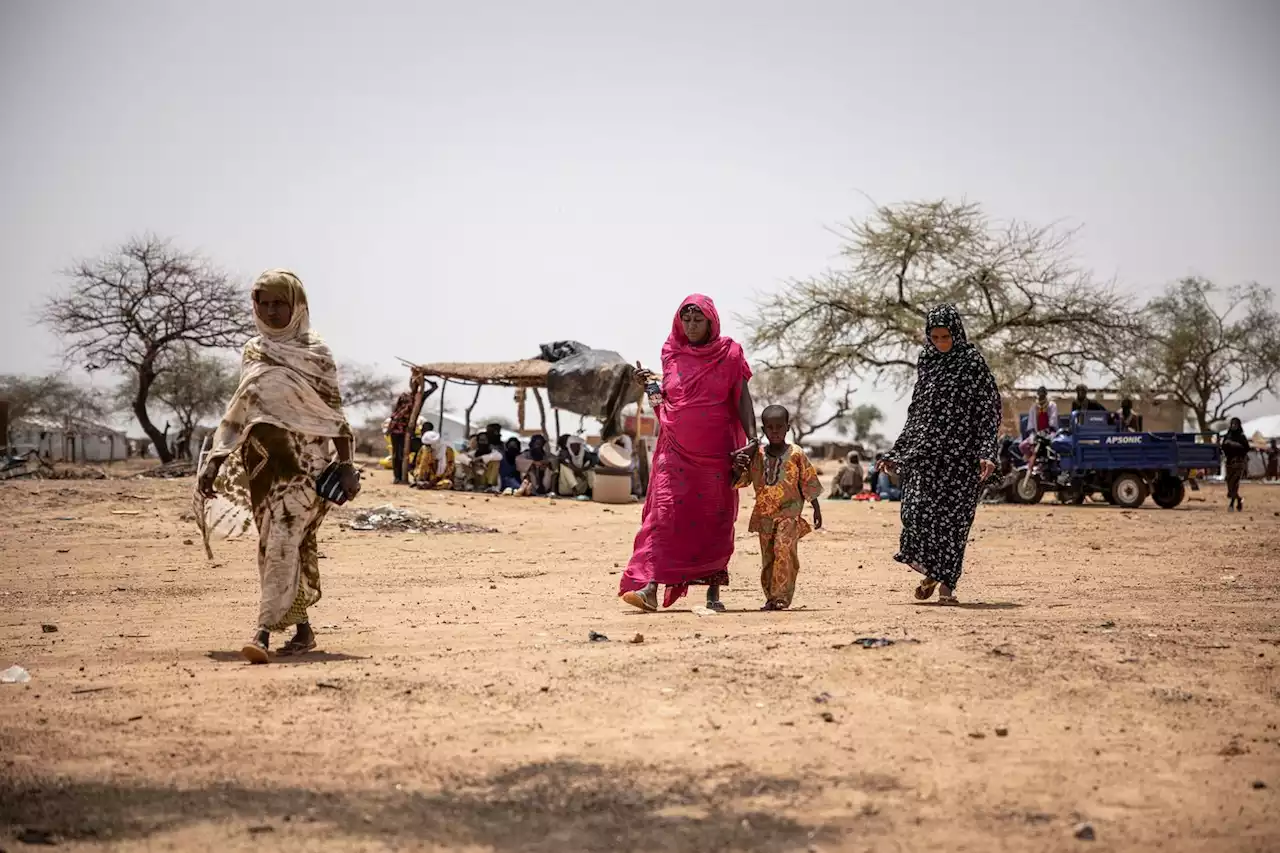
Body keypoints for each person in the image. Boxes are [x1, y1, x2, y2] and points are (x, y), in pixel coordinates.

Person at [196, 269, 360, 663]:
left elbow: (333, 414)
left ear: (297, 305)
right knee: (277, 546)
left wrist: (348, 463)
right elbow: (242, 409)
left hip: (305, 468)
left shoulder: (316, 353)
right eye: (263, 303)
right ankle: (302, 630)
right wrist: (215, 460)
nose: (271, 311)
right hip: (262, 468)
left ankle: (263, 631)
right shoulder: (254, 350)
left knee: (284, 540)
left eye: (279, 303)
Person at [620, 294, 756, 612]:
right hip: (674, 451)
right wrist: (650, 384)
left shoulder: (730, 353)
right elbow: (670, 396)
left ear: (711, 322)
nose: (692, 325)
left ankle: (713, 593)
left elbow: (742, 399)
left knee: (714, 518)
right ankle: (650, 587)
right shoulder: (670, 353)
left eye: (698, 320)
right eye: (687, 319)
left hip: (716, 454)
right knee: (663, 515)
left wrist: (753, 438)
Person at [878, 305, 1000, 606]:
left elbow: (989, 410)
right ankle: (932, 570)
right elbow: (917, 410)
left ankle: (946, 586)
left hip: (962, 457)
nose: (941, 342)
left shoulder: (972, 362)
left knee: (953, 524)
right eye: (934, 337)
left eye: (945, 336)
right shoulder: (927, 360)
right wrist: (899, 451)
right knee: (915, 513)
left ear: (956, 333)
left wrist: (987, 451)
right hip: (927, 453)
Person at [732, 406, 822, 610]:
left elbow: (808, 481)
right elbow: (741, 481)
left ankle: (782, 597)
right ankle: (771, 597)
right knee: (768, 557)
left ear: (788, 428)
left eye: (779, 427)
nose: (775, 431)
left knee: (784, 551)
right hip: (764, 516)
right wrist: (737, 467)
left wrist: (816, 508)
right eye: (770, 428)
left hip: (789, 514)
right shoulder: (757, 455)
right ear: (763, 430)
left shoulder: (796, 453)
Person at [1020, 386, 1058, 464]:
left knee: (1053, 445)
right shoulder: (1034, 407)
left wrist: (1049, 430)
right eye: (1040, 394)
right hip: (1037, 433)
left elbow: (1053, 418)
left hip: (1049, 432)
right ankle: (1031, 462)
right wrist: (1033, 433)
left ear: (1046, 394)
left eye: (1043, 394)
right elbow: (1031, 421)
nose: (1041, 395)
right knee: (1023, 446)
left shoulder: (1051, 405)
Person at [1221, 417, 1250, 512]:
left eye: (1235, 424)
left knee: (1235, 483)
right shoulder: (1227, 436)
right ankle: (1239, 499)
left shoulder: (1242, 437)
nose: (1233, 426)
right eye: (1232, 424)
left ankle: (1231, 504)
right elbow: (1223, 447)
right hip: (1229, 463)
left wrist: (1234, 444)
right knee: (1229, 486)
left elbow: (1246, 449)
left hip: (1239, 463)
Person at [387, 390, 414, 484]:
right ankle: (397, 476)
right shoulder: (404, 408)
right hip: (397, 433)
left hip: (400, 433)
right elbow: (396, 418)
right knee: (397, 455)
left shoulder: (403, 408)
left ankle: (399, 476)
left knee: (399, 455)